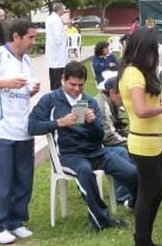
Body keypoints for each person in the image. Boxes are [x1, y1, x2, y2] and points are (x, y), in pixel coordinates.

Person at [28, 62, 136, 232]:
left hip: (96, 151)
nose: (77, 89)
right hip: (69, 155)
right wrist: (58, 123)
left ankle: (134, 203)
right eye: (72, 84)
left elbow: (100, 136)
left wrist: (93, 123)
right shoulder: (50, 100)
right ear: (63, 80)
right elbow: (32, 127)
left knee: (132, 173)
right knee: (85, 172)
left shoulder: (90, 101)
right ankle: (102, 221)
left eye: (81, 85)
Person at [0, 19, 43, 244]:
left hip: (23, 129)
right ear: (16, 37)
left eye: (35, 37)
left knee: (23, 181)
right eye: (30, 37)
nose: (34, 41)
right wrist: (5, 83)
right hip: (0, 131)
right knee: (1, 183)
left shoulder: (28, 61)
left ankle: (15, 222)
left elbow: (20, 93)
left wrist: (31, 91)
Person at [119, 27, 162, 246]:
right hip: (143, 143)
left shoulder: (138, 72)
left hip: (152, 142)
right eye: (153, 48)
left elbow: (147, 101)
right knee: (148, 194)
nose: (157, 53)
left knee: (158, 189)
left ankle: (146, 240)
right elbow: (141, 110)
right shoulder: (134, 73)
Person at [94, 77, 134, 206]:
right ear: (112, 93)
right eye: (123, 95)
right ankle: (123, 194)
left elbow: (116, 130)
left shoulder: (110, 102)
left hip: (99, 143)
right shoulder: (102, 106)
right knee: (122, 151)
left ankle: (138, 187)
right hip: (94, 147)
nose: (126, 99)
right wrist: (132, 142)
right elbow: (109, 137)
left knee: (129, 147)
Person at [45, 3, 69, 89]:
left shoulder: (51, 18)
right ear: (59, 9)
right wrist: (59, 44)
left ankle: (54, 87)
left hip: (54, 50)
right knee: (57, 69)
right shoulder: (55, 20)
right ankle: (56, 87)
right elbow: (57, 35)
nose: (63, 11)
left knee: (53, 67)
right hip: (57, 49)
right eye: (63, 9)